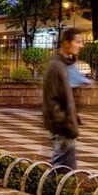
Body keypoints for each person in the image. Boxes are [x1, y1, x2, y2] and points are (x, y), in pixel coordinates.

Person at [41, 27, 85, 170]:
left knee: (67, 169)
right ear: (66, 43)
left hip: (66, 126)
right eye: (78, 42)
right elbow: (51, 99)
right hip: (62, 128)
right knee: (60, 168)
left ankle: (58, 189)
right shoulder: (56, 67)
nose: (81, 45)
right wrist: (63, 122)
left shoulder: (65, 66)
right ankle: (48, 190)